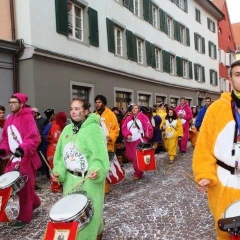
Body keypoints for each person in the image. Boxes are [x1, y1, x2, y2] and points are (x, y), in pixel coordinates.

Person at [192, 60, 240, 240]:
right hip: (224, 181)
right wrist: (205, 174)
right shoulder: (216, 109)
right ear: (230, 79)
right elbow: (204, 146)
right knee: (226, 228)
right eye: (237, 74)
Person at [51, 99, 109, 240]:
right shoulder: (66, 129)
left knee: (88, 216)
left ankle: (91, 234)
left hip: (89, 180)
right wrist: (58, 171)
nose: (74, 111)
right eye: (72, 109)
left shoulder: (94, 129)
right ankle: (98, 229)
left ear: (86, 111)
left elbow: (100, 156)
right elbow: (59, 157)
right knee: (71, 214)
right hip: (70, 181)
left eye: (77, 109)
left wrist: (96, 170)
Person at [0, 93, 41, 228]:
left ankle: (24, 217)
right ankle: (34, 202)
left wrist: (22, 149)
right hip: (13, 159)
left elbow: (33, 138)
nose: (11, 104)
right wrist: (4, 149)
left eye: (14, 102)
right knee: (15, 187)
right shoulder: (10, 118)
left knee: (24, 188)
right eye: (10, 102)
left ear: (21, 104)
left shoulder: (28, 117)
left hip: (26, 158)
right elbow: (6, 139)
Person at [94, 95, 119, 193]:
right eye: (96, 102)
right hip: (97, 145)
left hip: (107, 145)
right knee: (98, 165)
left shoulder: (110, 114)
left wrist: (110, 136)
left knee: (106, 166)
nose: (97, 104)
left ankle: (105, 187)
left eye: (99, 102)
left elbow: (116, 128)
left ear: (103, 103)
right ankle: (100, 185)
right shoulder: (94, 115)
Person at [122, 104, 153, 179]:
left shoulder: (143, 117)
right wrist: (127, 134)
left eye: (136, 108)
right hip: (129, 141)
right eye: (133, 108)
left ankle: (138, 173)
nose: (134, 109)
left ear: (139, 109)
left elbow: (148, 126)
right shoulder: (128, 118)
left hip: (139, 140)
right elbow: (124, 127)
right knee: (130, 156)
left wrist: (148, 133)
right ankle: (138, 167)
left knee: (136, 157)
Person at [47, 112, 67, 193]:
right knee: (55, 168)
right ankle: (55, 187)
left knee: (56, 167)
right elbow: (57, 139)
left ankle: (57, 185)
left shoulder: (56, 125)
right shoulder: (56, 126)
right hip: (54, 150)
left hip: (55, 149)